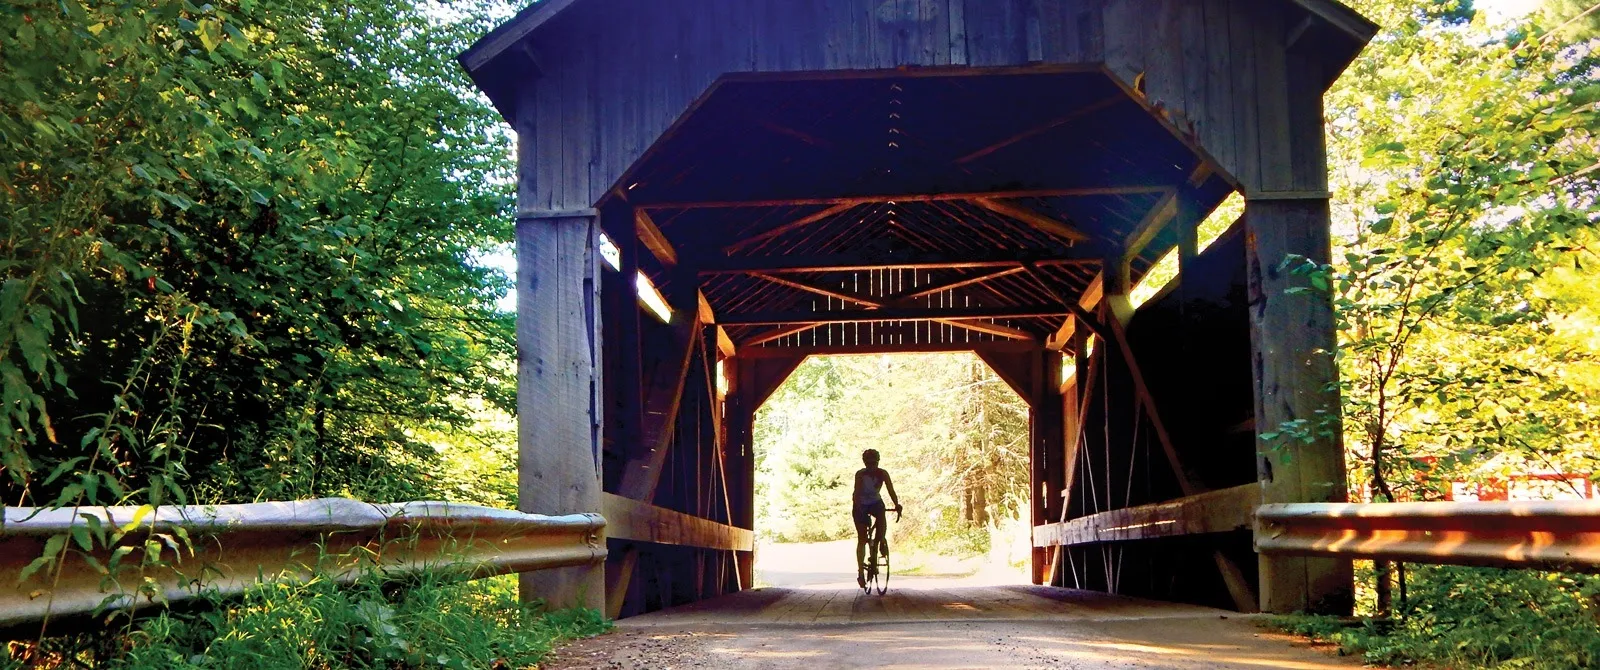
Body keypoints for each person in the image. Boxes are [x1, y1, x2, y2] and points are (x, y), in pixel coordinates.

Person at [852, 448, 902, 588]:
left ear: (878, 462)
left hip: (875, 503)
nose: (872, 466)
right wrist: (860, 510)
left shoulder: (883, 473)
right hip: (860, 504)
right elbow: (856, 493)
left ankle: (879, 542)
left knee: (882, 525)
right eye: (869, 463)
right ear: (865, 463)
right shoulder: (860, 475)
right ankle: (861, 572)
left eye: (874, 463)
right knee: (862, 538)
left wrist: (896, 504)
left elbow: (891, 489)